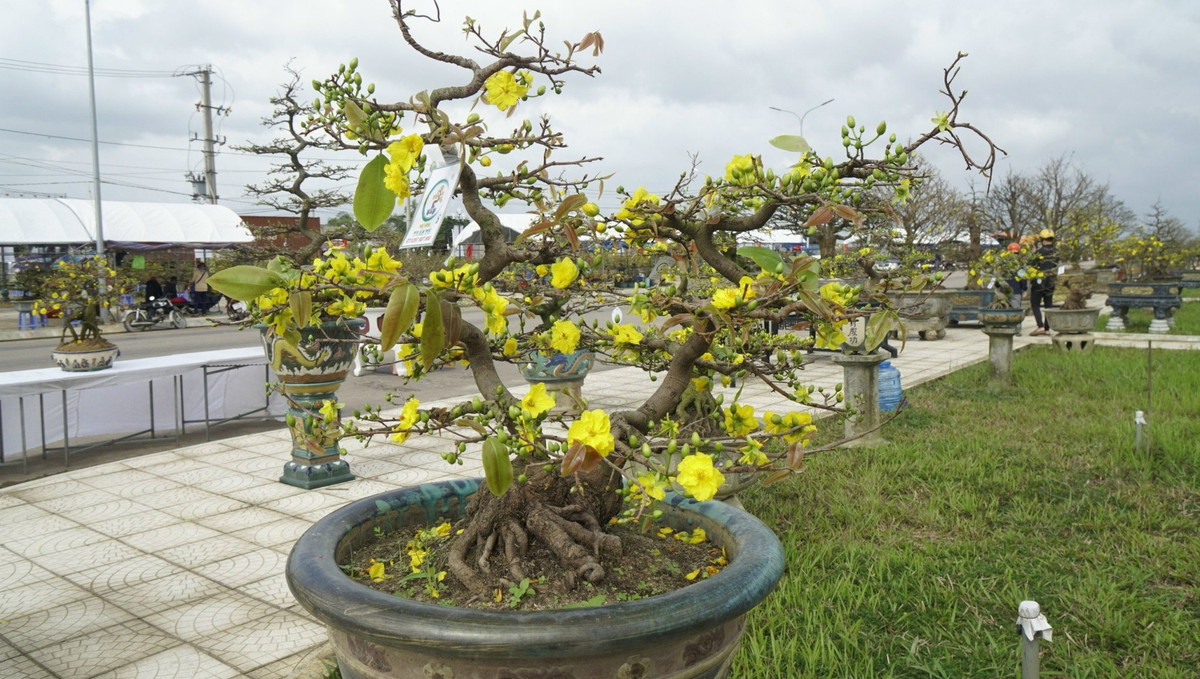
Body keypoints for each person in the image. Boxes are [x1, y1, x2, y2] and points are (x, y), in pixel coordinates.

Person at [1028, 230, 1059, 336]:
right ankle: (1047, 328)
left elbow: (1031, 264)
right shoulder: (1057, 252)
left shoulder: (1039, 252)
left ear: (1042, 239)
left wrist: (1033, 253)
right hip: (1051, 281)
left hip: (1039, 281)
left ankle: (1040, 326)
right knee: (1048, 305)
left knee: (1035, 303)